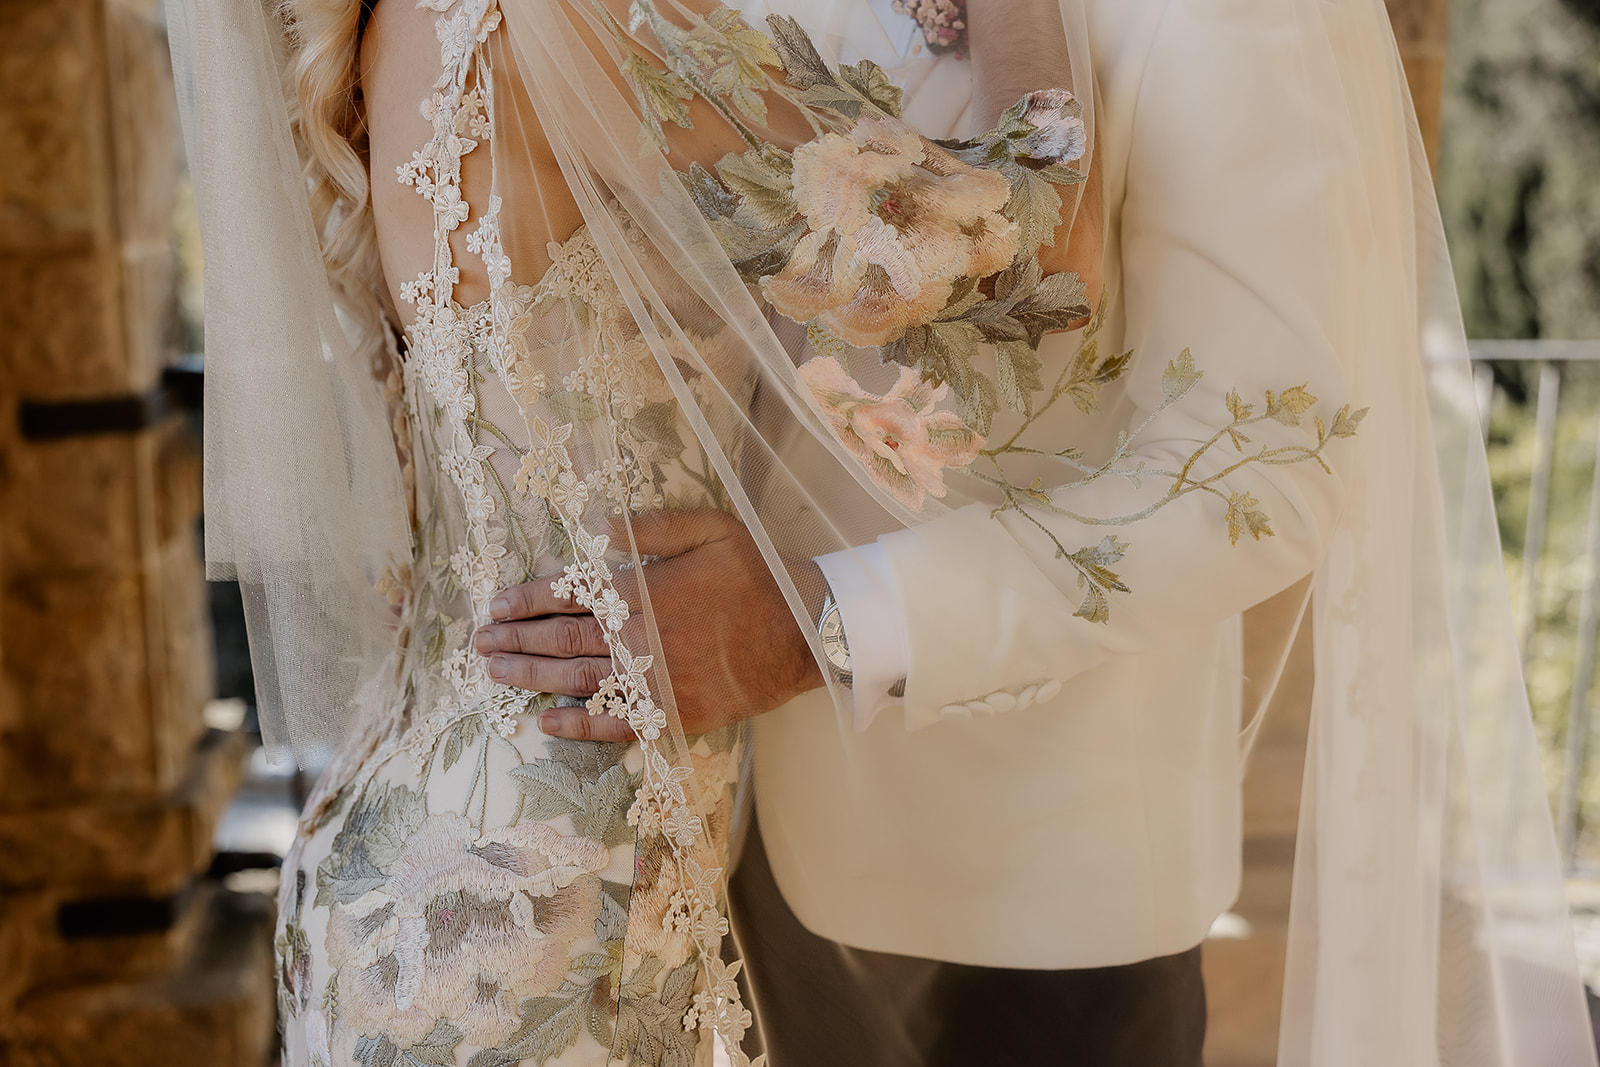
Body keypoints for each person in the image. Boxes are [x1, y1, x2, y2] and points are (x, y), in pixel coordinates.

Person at [168, 0, 1597, 1064]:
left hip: (961, 886)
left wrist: (830, 619)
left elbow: (1271, 463)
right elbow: (1019, 233)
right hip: (626, 844)